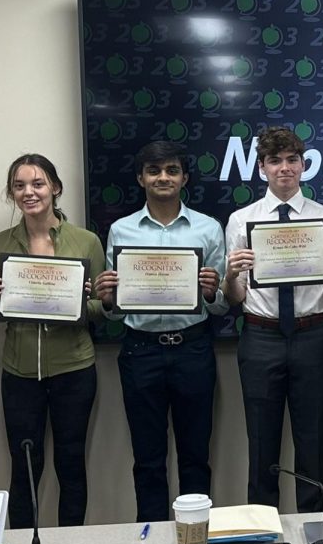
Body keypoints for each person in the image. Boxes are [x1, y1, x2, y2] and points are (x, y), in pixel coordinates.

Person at [95, 141, 227, 523]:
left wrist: (210, 291)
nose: (163, 177)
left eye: (171, 170)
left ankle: (195, 539)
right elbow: (117, 310)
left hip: (193, 348)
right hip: (141, 351)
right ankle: (150, 542)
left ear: (185, 177)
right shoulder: (121, 231)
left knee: (195, 456)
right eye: (154, 171)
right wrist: (108, 299)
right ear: (141, 179)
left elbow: (220, 303)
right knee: (148, 458)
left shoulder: (208, 228)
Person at [224, 126, 323, 512]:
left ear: (303, 165)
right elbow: (236, 298)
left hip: (312, 335)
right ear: (261, 167)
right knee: (261, 443)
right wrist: (230, 275)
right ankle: (264, 538)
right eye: (275, 161)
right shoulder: (241, 220)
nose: (284, 169)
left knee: (312, 442)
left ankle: (315, 531)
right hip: (260, 337)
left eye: (292, 160)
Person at [0, 154, 106, 529]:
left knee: (71, 464)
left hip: (74, 368)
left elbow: (104, 308)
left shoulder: (85, 241)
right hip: (19, 371)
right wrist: (2, 300)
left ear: (55, 187)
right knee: (23, 467)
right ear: (11, 193)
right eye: (19, 186)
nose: (29, 192)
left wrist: (87, 302)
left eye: (37, 184)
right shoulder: (0, 242)